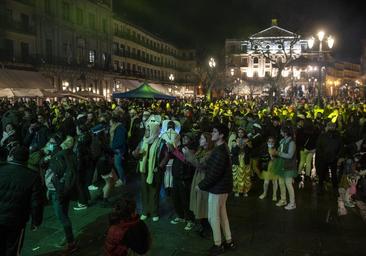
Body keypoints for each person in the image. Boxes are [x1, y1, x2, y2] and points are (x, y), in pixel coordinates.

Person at [198, 123, 235, 256]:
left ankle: (218, 244)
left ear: (221, 135)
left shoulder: (220, 151)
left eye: (214, 132)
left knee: (213, 217)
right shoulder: (222, 148)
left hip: (218, 189)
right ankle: (229, 240)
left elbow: (214, 174)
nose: (212, 134)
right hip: (223, 188)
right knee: (222, 215)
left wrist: (200, 185)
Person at [0, 145, 44, 256]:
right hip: (16, 220)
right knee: (13, 249)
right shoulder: (33, 176)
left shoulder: (1, 169)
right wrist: (36, 221)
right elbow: (36, 203)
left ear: (12, 156)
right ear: (27, 158)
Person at [44, 133, 78, 253]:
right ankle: (68, 237)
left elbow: (54, 175)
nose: (50, 145)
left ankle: (71, 242)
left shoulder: (57, 157)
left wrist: (50, 188)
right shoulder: (67, 154)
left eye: (52, 143)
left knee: (62, 216)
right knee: (64, 213)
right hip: (65, 189)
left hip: (58, 191)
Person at [184, 132, 213, 236]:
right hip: (198, 177)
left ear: (207, 141)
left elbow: (200, 164)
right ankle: (202, 225)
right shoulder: (202, 150)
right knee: (198, 201)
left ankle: (207, 227)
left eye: (202, 139)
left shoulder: (209, 153)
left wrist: (189, 155)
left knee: (203, 202)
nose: (200, 140)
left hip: (203, 178)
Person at [272, 126, 297, 210]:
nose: (280, 133)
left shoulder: (291, 142)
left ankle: (292, 203)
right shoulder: (282, 141)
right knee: (281, 183)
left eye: (281, 131)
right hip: (281, 165)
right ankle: (283, 200)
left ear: (285, 132)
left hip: (288, 166)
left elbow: (290, 155)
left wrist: (278, 153)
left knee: (288, 184)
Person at [315, 122, 343, 195]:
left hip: (324, 158)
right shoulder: (338, 136)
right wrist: (337, 156)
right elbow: (341, 148)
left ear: (327, 127)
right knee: (333, 174)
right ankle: (335, 189)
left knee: (322, 174)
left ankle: (320, 188)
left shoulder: (322, 136)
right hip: (333, 158)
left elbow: (318, 147)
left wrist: (321, 155)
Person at [231, 127, 252, 197]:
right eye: (239, 132)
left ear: (244, 133)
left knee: (246, 175)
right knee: (236, 176)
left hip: (245, 159)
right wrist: (237, 145)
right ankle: (237, 190)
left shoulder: (248, 140)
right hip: (237, 160)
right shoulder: (234, 140)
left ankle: (245, 190)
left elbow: (249, 151)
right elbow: (233, 152)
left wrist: (246, 145)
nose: (240, 134)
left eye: (242, 132)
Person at [258, 136, 279, 201]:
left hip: (274, 167)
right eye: (269, 141)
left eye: (272, 142)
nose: (271, 143)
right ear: (267, 142)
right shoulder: (264, 148)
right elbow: (261, 156)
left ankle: (274, 195)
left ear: (274, 143)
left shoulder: (276, 148)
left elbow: (279, 157)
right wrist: (269, 157)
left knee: (275, 182)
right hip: (267, 167)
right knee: (266, 182)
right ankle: (264, 193)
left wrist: (275, 156)